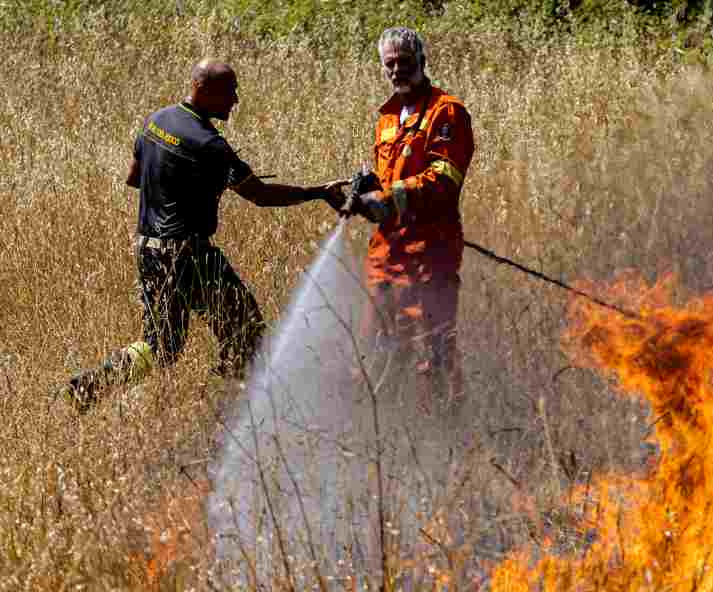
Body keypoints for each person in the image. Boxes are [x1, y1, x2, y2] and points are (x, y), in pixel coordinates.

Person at [60, 60, 346, 411]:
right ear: (202, 88)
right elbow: (260, 194)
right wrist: (317, 192)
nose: (236, 100)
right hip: (190, 256)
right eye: (230, 91)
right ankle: (221, 408)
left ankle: (91, 384)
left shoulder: (156, 120)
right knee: (247, 332)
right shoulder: (210, 145)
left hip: (149, 251)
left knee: (160, 346)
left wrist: (175, 187)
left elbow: (134, 178)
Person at [344, 27, 475, 412]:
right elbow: (389, 179)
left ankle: (446, 425)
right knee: (377, 346)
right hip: (386, 252)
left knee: (432, 349)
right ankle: (385, 425)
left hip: (429, 252)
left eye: (405, 62)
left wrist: (392, 197)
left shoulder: (446, 112)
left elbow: (445, 176)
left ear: (422, 62)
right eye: (390, 64)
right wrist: (367, 188)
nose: (398, 70)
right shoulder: (387, 117)